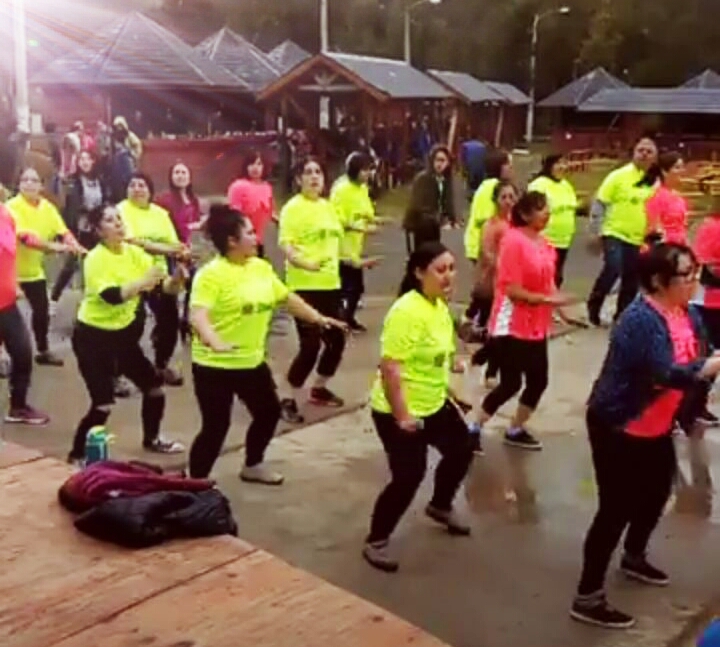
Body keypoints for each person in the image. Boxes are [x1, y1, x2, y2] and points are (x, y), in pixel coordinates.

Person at [570, 243, 720, 629]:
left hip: (657, 425)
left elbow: (703, 352)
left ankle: (633, 556)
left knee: (656, 494)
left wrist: (706, 367)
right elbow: (664, 372)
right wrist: (706, 368)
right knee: (615, 509)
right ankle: (588, 596)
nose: (693, 281)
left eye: (695, 273)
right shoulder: (640, 319)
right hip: (618, 425)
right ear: (657, 280)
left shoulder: (687, 313)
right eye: (685, 275)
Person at [188, 205, 347, 483]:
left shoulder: (260, 267)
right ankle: (195, 483)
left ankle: (252, 465)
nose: (256, 237)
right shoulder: (211, 275)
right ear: (232, 241)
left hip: (251, 363)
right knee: (216, 427)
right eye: (249, 232)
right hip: (214, 366)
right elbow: (198, 315)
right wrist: (214, 341)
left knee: (269, 413)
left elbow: (285, 297)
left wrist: (319, 318)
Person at [363, 242, 474, 573]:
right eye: (440, 270)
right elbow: (391, 368)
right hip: (398, 411)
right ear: (418, 273)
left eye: (451, 268)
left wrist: (452, 390)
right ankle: (376, 540)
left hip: (434, 403)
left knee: (462, 449)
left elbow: (432, 361)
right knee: (408, 477)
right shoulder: (406, 312)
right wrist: (403, 416)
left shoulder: (438, 306)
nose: (448, 276)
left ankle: (440, 505)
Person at [67, 204, 186, 465]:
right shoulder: (95, 259)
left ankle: (153, 439)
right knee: (103, 404)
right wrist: (143, 282)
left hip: (123, 339)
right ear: (99, 231)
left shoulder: (135, 254)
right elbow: (112, 296)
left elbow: (164, 288)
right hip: (92, 339)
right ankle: (77, 455)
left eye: (119, 218)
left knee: (154, 388)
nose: (118, 224)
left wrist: (177, 279)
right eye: (110, 221)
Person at [466, 191, 575, 454]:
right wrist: (546, 300)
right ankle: (473, 428)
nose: (547, 213)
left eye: (547, 208)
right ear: (525, 214)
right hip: (511, 325)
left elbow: (549, 284)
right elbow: (512, 290)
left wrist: (563, 311)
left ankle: (515, 428)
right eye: (540, 208)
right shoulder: (513, 241)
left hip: (536, 326)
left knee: (538, 381)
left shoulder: (545, 244)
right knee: (510, 383)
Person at [278, 157, 347, 424]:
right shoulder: (292, 209)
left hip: (330, 284)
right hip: (303, 285)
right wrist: (304, 263)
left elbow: (337, 243)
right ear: (299, 179)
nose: (314, 177)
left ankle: (319, 387)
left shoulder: (328, 207)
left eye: (318, 172)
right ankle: (288, 398)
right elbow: (287, 246)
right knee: (310, 345)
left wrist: (355, 261)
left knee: (337, 338)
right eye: (308, 172)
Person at [7, 167, 86, 366]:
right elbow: (25, 238)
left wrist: (74, 245)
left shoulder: (47, 208)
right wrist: (54, 247)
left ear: (42, 186)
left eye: (34, 180)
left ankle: (42, 351)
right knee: (5, 318)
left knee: (41, 312)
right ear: (19, 184)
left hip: (34, 272)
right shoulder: (11, 207)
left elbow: (62, 231)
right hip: (8, 273)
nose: (29, 184)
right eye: (25, 180)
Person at [118, 172, 188, 386]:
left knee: (169, 320)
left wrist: (181, 252)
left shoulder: (160, 214)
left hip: (158, 274)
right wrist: (164, 248)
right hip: (130, 275)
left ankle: (161, 364)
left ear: (150, 191)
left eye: (142, 185)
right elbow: (132, 242)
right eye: (132, 185)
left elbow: (175, 244)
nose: (137, 189)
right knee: (131, 325)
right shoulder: (121, 210)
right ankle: (118, 374)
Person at [587, 136, 658, 325]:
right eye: (640, 150)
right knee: (613, 267)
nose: (644, 154)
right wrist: (595, 231)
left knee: (632, 277)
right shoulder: (618, 176)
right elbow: (600, 203)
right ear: (633, 152)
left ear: (655, 157)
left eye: (649, 151)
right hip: (614, 232)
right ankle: (594, 304)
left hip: (639, 237)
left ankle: (622, 314)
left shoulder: (655, 181)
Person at [466, 181, 518, 410]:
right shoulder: (492, 225)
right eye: (504, 197)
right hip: (495, 283)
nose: (508, 201)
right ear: (496, 200)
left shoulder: (517, 224)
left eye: (511, 197)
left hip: (512, 284)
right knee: (496, 329)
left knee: (503, 330)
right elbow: (487, 254)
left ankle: (484, 359)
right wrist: (505, 268)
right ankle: (490, 369)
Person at [0, 202, 49, 425]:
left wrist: (14, 285)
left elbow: (9, 250)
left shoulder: (4, 213)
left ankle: (18, 407)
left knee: (22, 354)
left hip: (6, 302)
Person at [50, 150, 109, 307]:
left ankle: (90, 297)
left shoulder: (100, 181)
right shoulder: (74, 182)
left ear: (94, 161)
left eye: (88, 159)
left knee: (95, 264)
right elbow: (69, 207)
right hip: (79, 230)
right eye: (81, 159)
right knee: (71, 265)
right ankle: (54, 298)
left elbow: (105, 202)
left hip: (96, 230)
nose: (84, 162)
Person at [330, 152, 380, 333]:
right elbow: (336, 218)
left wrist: (377, 221)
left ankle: (346, 317)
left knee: (355, 288)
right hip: (341, 246)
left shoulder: (362, 188)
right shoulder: (341, 189)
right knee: (348, 286)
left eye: (369, 170)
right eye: (364, 170)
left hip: (355, 247)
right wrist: (359, 228)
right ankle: (341, 319)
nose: (368, 174)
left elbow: (367, 212)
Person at [462, 150, 513, 324]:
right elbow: (484, 218)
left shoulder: (493, 185)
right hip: (483, 245)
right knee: (486, 289)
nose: (511, 168)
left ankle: (474, 319)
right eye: (508, 164)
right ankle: (476, 321)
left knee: (488, 289)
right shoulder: (491, 187)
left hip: (489, 246)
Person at [155, 162, 203, 343]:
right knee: (172, 289)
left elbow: (194, 224)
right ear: (171, 177)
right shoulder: (164, 200)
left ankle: (186, 320)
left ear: (189, 177)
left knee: (193, 284)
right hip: (171, 251)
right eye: (176, 172)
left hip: (188, 250)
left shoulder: (193, 200)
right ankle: (168, 324)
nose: (180, 176)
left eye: (183, 172)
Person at [528, 154, 579, 287]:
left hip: (564, 240)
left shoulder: (566, 185)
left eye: (564, 163)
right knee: (543, 275)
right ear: (549, 165)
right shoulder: (539, 185)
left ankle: (550, 299)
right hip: (545, 239)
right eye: (558, 163)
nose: (562, 167)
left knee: (557, 277)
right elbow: (531, 210)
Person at [403, 145, 455, 252]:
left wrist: (450, 217)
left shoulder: (444, 180)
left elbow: (446, 201)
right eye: (437, 160)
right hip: (422, 225)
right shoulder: (423, 178)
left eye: (443, 161)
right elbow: (417, 204)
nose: (439, 164)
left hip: (433, 225)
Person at [227, 151, 276, 258]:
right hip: (241, 243)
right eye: (251, 164)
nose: (255, 168)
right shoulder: (238, 186)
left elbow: (270, 212)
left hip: (258, 242)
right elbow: (234, 216)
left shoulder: (267, 188)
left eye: (259, 164)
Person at [644, 151, 688, 245]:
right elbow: (653, 227)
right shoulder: (656, 196)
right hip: (664, 246)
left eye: (682, 167)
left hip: (679, 246)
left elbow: (682, 226)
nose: (682, 171)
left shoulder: (678, 197)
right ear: (664, 172)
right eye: (677, 167)